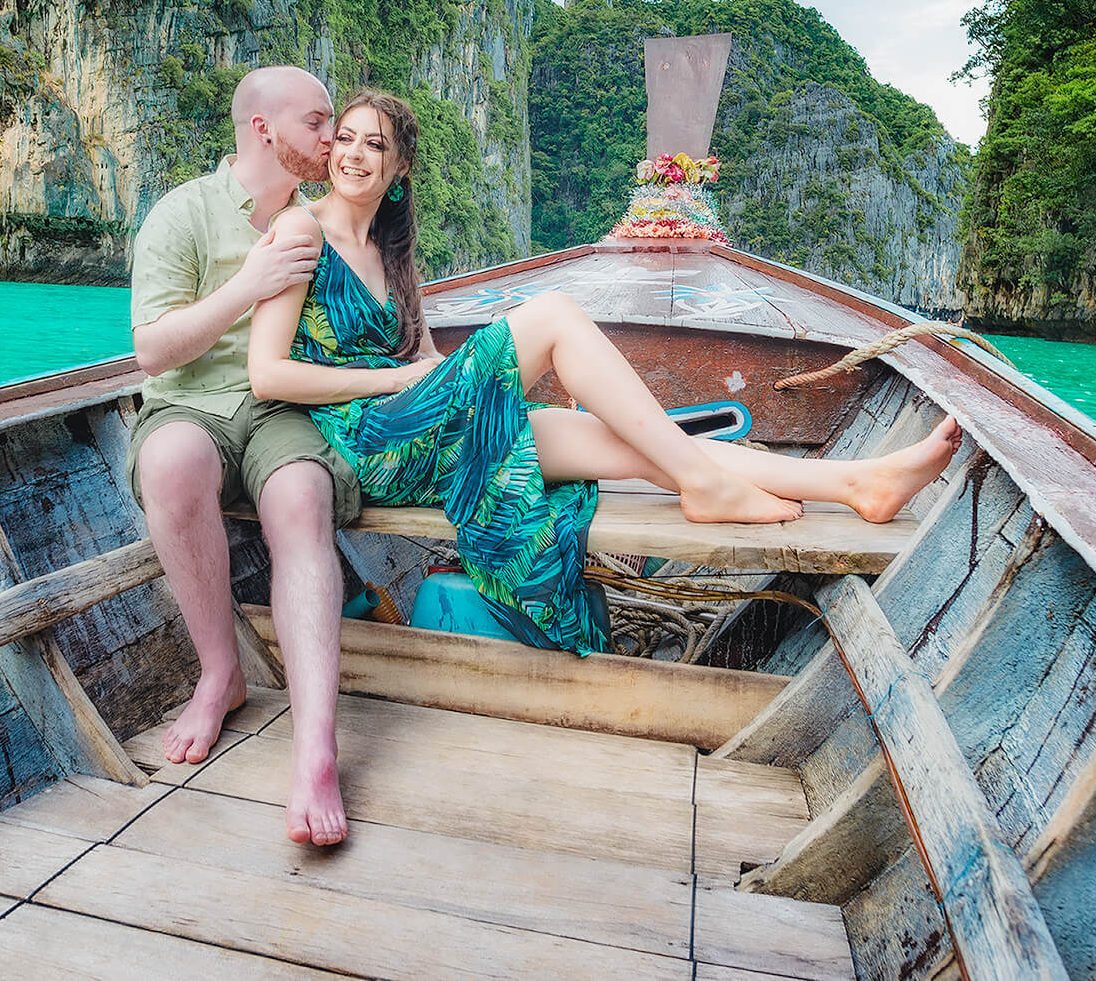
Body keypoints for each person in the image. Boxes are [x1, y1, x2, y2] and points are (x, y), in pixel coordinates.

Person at [248, 90, 963, 654]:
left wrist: (436, 378)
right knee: (555, 314)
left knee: (635, 448)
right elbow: (268, 375)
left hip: (416, 425)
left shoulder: (394, 253)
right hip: (359, 440)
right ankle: (707, 484)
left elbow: (427, 362)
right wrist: (395, 383)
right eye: (345, 138)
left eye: (376, 145)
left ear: (400, 168)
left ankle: (855, 483)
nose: (355, 154)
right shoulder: (301, 229)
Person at [128, 64, 359, 847]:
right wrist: (247, 284)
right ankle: (219, 671)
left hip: (282, 409)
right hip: (191, 403)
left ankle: (316, 750)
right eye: (317, 123)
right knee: (170, 465)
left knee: (300, 500)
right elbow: (152, 353)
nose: (332, 140)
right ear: (263, 128)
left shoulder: (321, 220)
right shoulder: (183, 214)